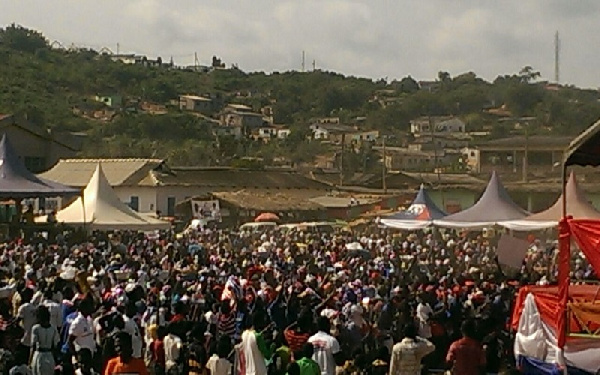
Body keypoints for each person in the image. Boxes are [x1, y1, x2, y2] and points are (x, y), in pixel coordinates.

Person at [30, 306, 60, 375]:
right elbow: (55, 345)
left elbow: (33, 346)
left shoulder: (36, 328)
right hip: (50, 356)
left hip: (39, 356)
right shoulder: (53, 329)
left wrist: (29, 361)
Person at [18, 288, 37, 358]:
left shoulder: (23, 307)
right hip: (32, 337)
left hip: (24, 337)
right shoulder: (34, 307)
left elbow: (17, 320)